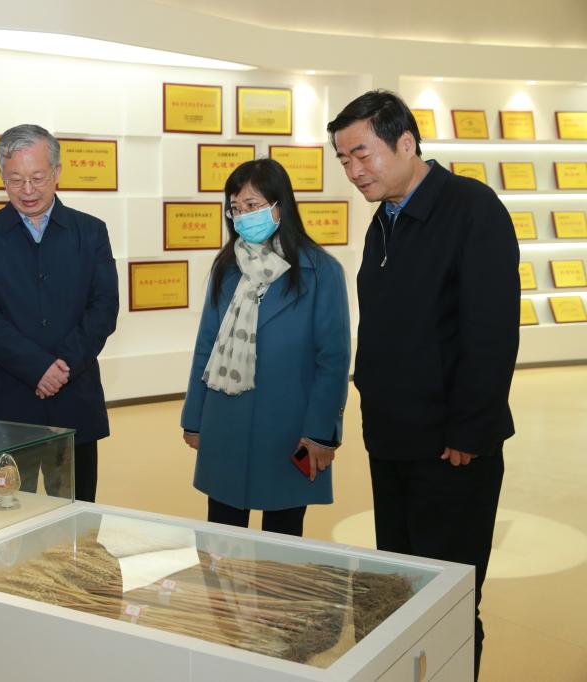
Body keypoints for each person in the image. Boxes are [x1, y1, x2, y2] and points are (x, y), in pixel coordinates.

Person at [327, 90, 518, 679]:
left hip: (451, 450)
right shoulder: (384, 220)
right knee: (400, 590)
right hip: (393, 441)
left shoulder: (472, 209)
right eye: (344, 160)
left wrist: (469, 431)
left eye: (363, 154)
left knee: (449, 598)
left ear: (406, 143)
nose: (354, 171)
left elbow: (491, 331)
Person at [180, 158, 350, 536]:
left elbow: (333, 361)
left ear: (278, 206)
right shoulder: (227, 268)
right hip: (226, 419)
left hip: (289, 428)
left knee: (282, 542)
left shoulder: (321, 271)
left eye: (252, 205)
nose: (243, 216)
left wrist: (321, 433)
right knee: (222, 540)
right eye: (236, 208)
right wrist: (194, 418)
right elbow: (206, 345)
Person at [0, 124, 118, 502]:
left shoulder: (90, 232)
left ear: (57, 172)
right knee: (7, 514)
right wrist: (37, 369)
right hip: (8, 402)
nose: (27, 190)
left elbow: (104, 308)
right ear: (1, 176)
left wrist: (62, 366)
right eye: (15, 179)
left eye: (37, 177)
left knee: (77, 517)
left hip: (74, 397)